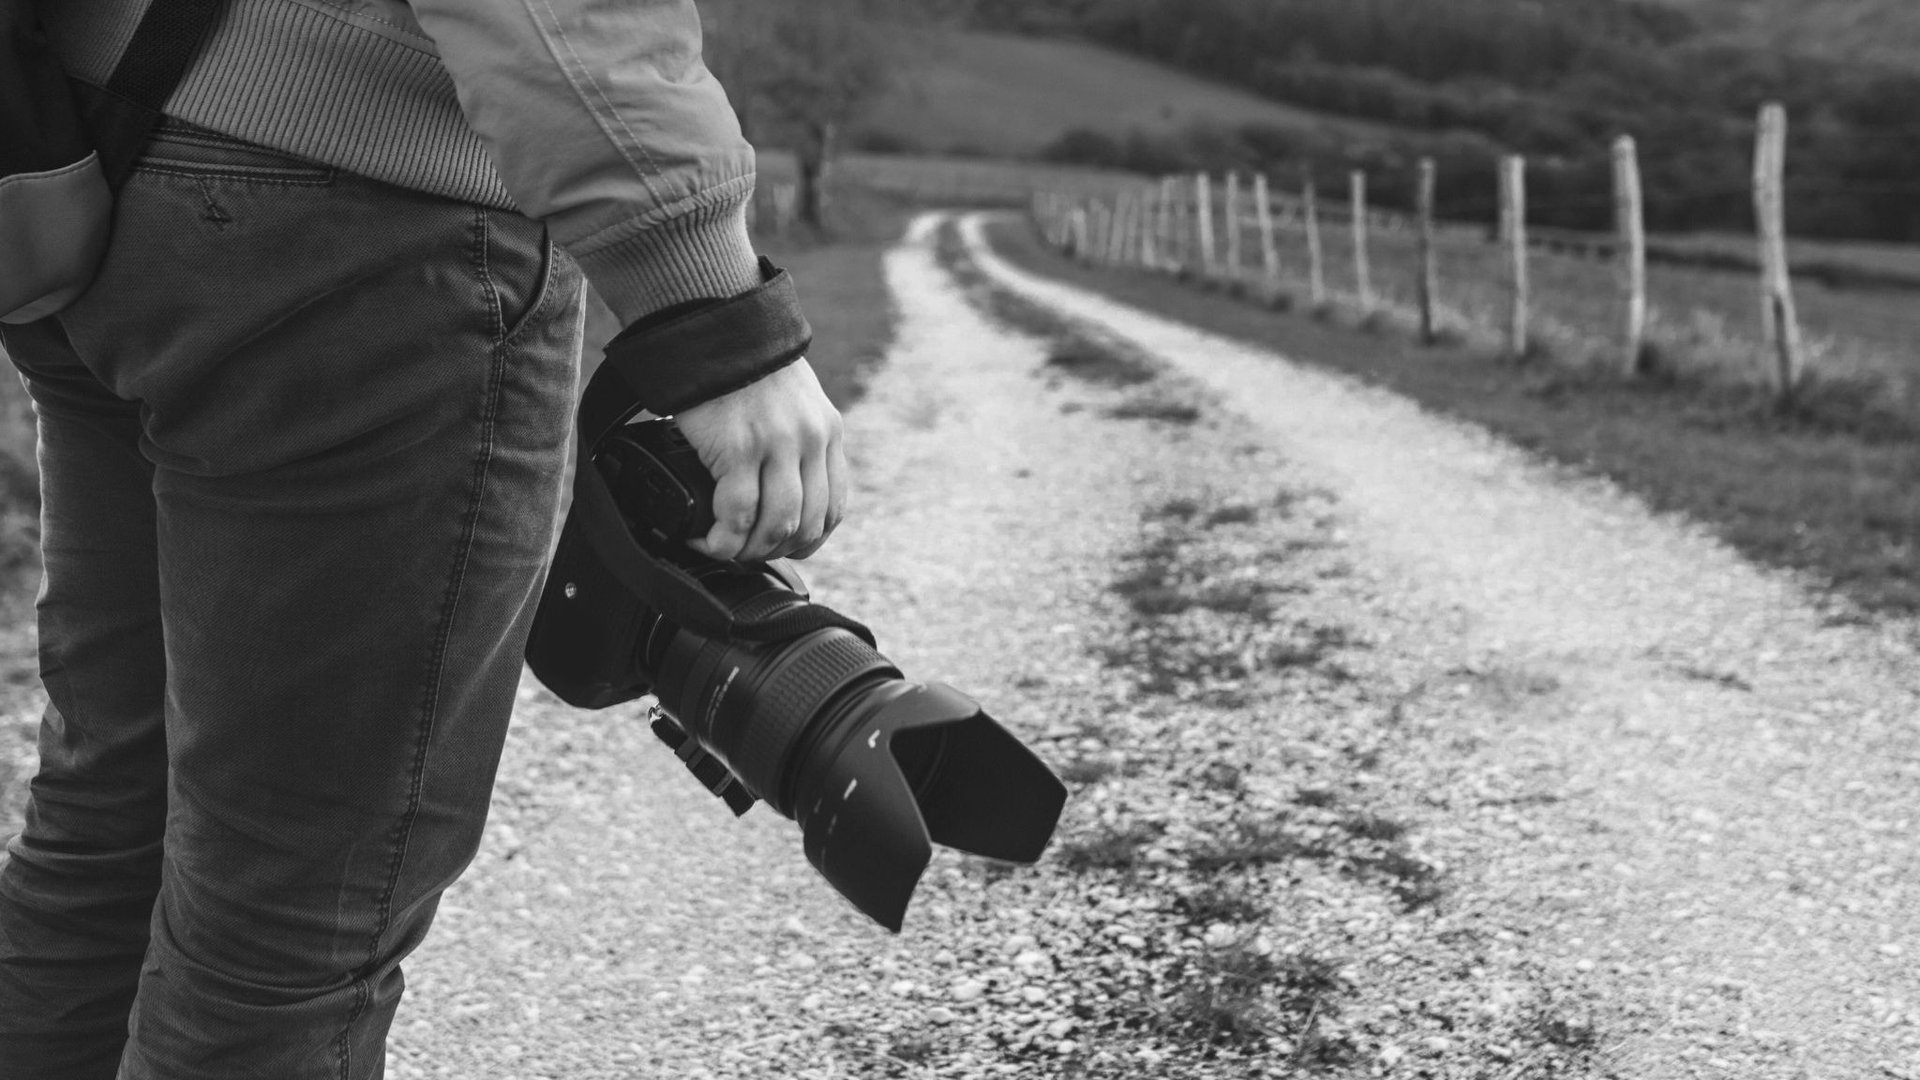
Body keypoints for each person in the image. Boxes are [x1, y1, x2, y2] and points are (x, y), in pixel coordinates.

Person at [0, 1, 848, 1076]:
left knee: (105, 832)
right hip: (353, 210)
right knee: (289, 927)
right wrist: (714, 305)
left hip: (86, 159)